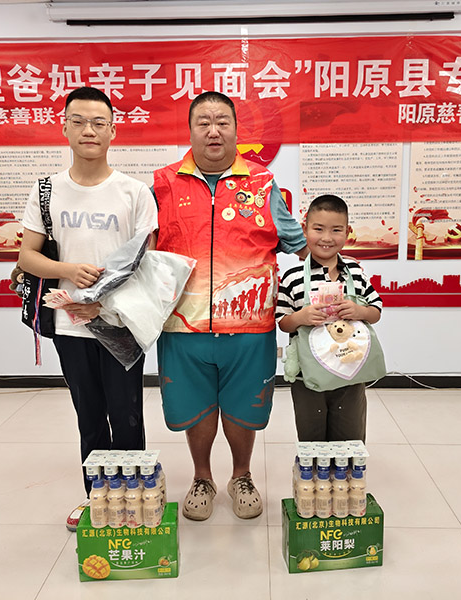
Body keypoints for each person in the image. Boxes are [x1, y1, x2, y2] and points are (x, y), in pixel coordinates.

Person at [152, 91, 307, 520]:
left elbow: (298, 243)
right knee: (195, 407)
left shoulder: (263, 184)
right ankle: (202, 477)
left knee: (242, 406)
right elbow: (143, 250)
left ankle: (242, 476)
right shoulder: (163, 184)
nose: (213, 130)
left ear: (237, 130)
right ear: (190, 130)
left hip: (250, 327)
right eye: (203, 122)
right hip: (183, 326)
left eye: (222, 121)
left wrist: (336, 279)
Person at [18, 86, 157, 531]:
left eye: (99, 122)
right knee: (89, 416)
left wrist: (105, 300)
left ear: (114, 130)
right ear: (64, 128)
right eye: (78, 121)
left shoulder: (135, 192)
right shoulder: (47, 190)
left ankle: (133, 500)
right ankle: (96, 499)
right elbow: (27, 257)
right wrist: (69, 271)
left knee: (128, 416)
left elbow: (145, 260)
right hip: (70, 323)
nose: (88, 130)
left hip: (120, 324)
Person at [276, 194, 383, 442]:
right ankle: (314, 467)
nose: (327, 237)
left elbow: (376, 310)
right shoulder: (292, 276)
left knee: (350, 433)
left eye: (336, 230)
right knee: (310, 433)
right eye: (318, 229)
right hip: (307, 373)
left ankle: (346, 467)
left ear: (347, 232)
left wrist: (360, 312)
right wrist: (301, 317)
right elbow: (282, 322)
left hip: (350, 369)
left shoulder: (355, 272)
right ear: (304, 230)